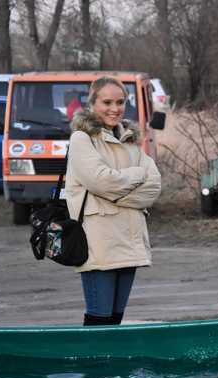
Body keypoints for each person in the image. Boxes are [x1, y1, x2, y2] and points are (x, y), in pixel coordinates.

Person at [65, 76, 161, 326]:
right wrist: (137, 176)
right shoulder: (82, 139)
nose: (114, 108)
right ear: (92, 103)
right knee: (99, 321)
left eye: (120, 102)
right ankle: (90, 366)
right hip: (100, 243)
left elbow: (154, 187)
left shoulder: (130, 140)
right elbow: (102, 182)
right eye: (107, 102)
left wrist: (116, 190)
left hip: (129, 241)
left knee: (115, 322)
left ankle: (108, 365)